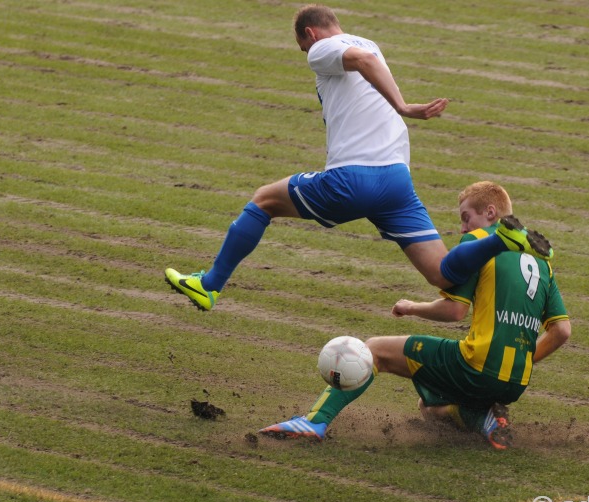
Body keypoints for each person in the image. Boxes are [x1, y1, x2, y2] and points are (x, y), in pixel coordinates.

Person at [165, 4, 552, 311]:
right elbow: (367, 63)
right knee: (442, 275)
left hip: (354, 177)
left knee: (264, 199)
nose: (308, 55)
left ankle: (210, 285)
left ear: (310, 34)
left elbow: (363, 65)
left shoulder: (322, 48)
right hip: (396, 181)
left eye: (304, 47)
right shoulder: (369, 42)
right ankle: (503, 238)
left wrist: (404, 106)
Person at [259, 181, 570, 449]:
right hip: (515, 382)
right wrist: (524, 362)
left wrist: (412, 307)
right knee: (429, 407)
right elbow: (562, 332)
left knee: (376, 350)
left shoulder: (477, 242)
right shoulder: (543, 264)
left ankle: (314, 422)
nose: (462, 227)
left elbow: (455, 310)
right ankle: (486, 419)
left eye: (466, 217)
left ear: (490, 213)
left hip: (477, 366)